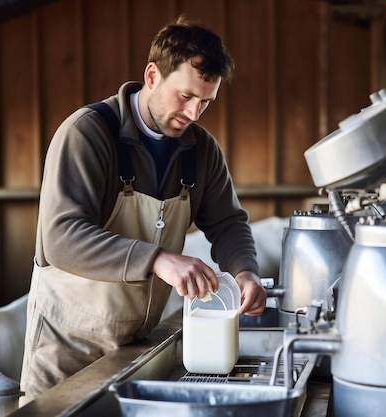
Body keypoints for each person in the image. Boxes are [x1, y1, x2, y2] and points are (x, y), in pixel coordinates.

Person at [19, 16, 267, 403]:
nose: (195, 113)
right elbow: (60, 238)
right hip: (66, 346)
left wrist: (245, 271)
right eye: (185, 96)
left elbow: (228, 222)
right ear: (152, 75)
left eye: (205, 102)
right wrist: (158, 260)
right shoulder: (88, 134)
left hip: (135, 347)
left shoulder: (201, 150)